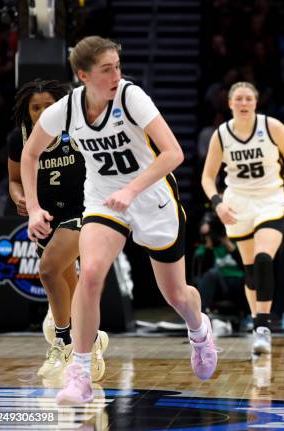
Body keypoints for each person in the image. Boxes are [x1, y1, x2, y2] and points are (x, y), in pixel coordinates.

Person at [20, 36, 218, 405]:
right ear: (83, 75)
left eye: (118, 66)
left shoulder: (131, 97)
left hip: (152, 197)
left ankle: (199, 330)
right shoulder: (65, 110)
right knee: (91, 272)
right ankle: (79, 371)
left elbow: (173, 153)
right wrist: (33, 208)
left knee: (176, 295)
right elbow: (30, 153)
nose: (116, 74)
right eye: (106, 69)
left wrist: (132, 190)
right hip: (102, 200)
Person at [201, 81, 284, 354]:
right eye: (239, 99)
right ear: (230, 104)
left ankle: (262, 327)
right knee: (250, 272)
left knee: (263, 259)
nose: (244, 103)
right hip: (238, 204)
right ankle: (257, 321)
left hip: (270, 200)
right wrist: (217, 203)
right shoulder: (221, 135)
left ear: (256, 103)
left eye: (248, 99)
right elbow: (208, 177)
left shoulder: (272, 127)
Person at [7, 79, 108, 381]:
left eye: (48, 105)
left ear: (60, 106)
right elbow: (14, 180)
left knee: (48, 269)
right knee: (66, 280)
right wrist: (19, 198)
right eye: (35, 107)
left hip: (82, 210)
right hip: (44, 215)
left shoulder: (77, 130)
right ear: (27, 111)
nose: (41, 112)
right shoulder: (19, 138)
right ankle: (90, 340)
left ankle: (62, 342)